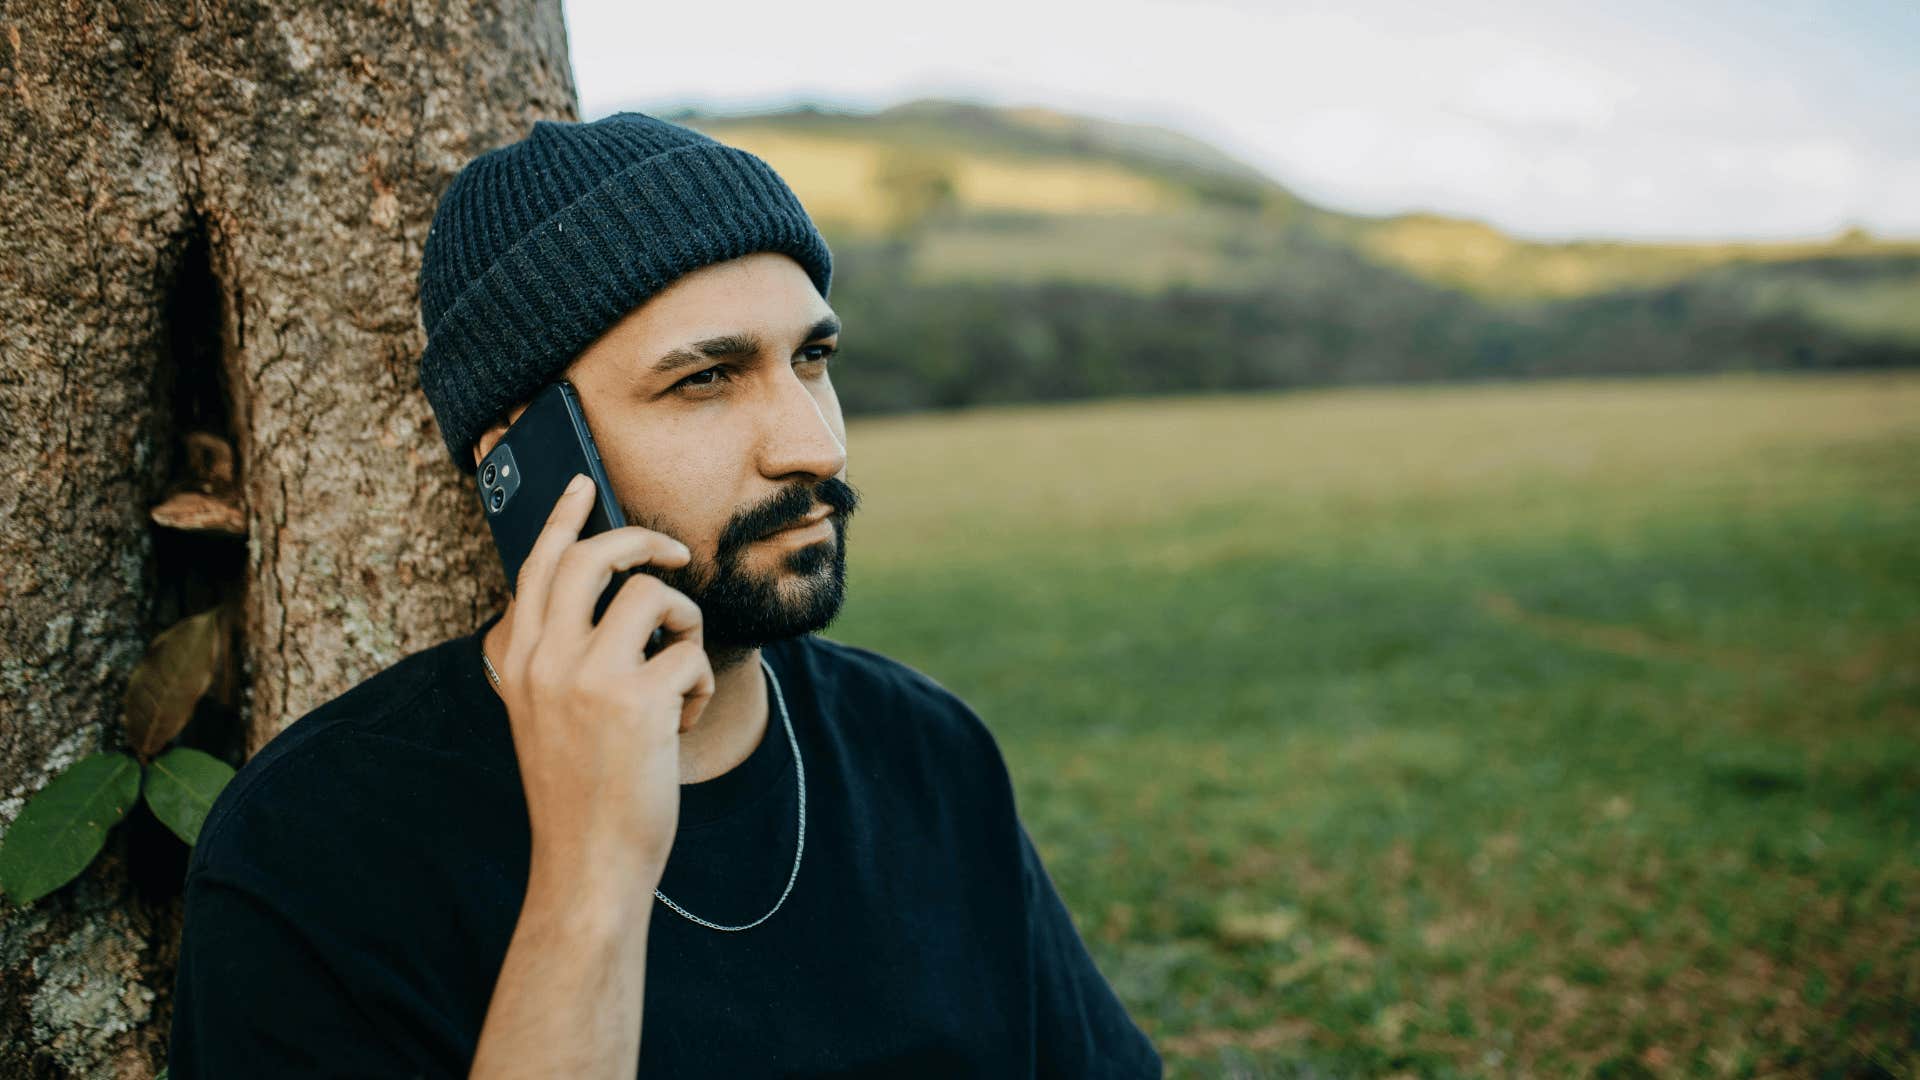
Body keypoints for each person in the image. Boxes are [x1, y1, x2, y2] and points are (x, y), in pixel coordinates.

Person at [168, 111, 1162, 1078]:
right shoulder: (314, 849)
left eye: (812, 359)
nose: (815, 445)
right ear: (517, 459)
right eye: (706, 380)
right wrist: (593, 877)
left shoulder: (926, 752)